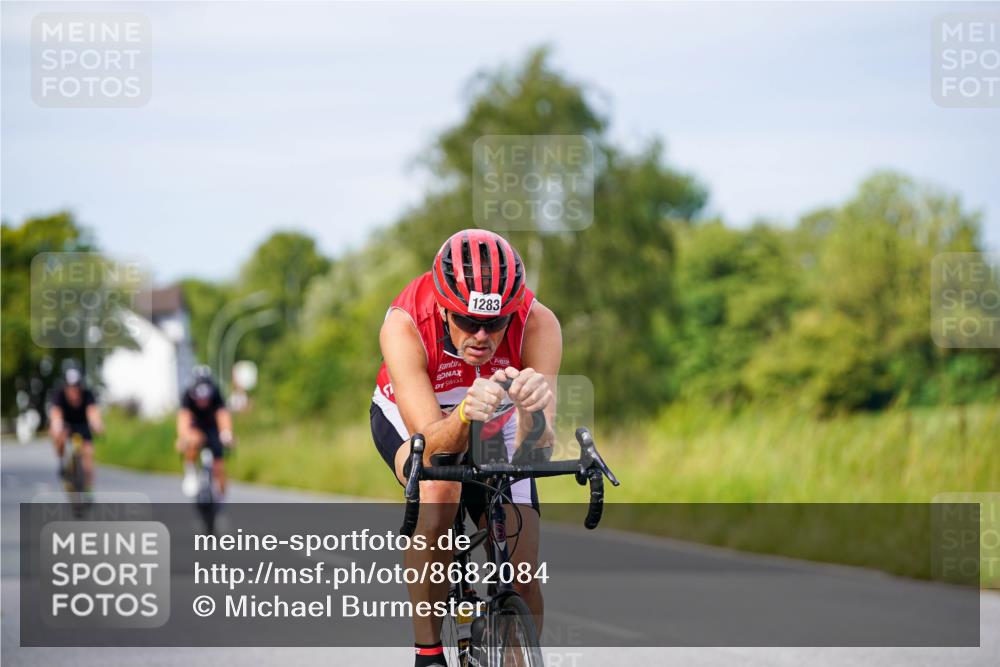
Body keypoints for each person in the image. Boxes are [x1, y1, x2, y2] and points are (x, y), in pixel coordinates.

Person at [372, 229, 561, 667]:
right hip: (421, 415)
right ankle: (429, 651)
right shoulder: (403, 324)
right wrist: (463, 417)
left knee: (522, 569)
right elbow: (429, 442)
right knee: (440, 491)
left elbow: (540, 443)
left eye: (495, 323)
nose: (481, 335)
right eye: (467, 321)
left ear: (511, 313)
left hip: (497, 411)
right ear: (442, 308)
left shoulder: (538, 323)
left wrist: (533, 408)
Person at [176, 369, 233, 497]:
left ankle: (220, 498)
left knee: (219, 468)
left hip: (213, 427)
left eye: (206, 396)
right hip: (196, 426)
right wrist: (183, 437)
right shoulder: (187, 396)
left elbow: (223, 414)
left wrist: (226, 433)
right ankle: (191, 472)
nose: (202, 400)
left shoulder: (217, 393)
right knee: (192, 441)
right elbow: (183, 418)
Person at [48, 367, 103, 489]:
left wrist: (97, 423)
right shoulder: (59, 395)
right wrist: (57, 424)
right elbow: (56, 413)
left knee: (88, 454)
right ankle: (62, 462)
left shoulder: (87, 395)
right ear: (66, 387)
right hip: (66, 426)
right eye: (71, 387)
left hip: (83, 426)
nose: (74, 391)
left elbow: (92, 412)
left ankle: (89, 490)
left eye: (76, 387)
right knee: (57, 433)